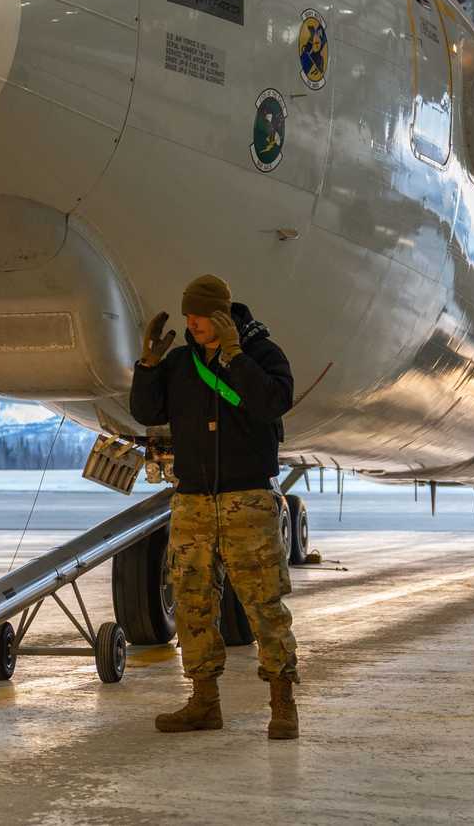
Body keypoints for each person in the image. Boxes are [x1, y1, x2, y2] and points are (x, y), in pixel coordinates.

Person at [129, 273, 299, 739]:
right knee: (193, 605)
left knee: (264, 604)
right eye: (189, 316)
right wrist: (147, 366)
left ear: (224, 314)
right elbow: (147, 413)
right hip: (194, 502)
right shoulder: (181, 362)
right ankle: (204, 702)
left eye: (201, 316)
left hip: (247, 499)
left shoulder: (263, 355)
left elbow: (271, 403)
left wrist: (235, 356)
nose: (194, 324)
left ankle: (283, 704)